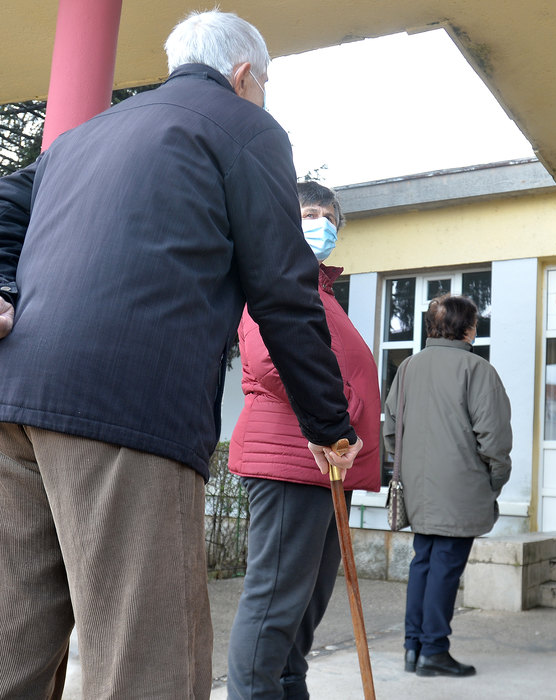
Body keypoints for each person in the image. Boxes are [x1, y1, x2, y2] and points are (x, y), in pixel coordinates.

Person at [0, 11, 362, 698]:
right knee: (146, 658)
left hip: (11, 401)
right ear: (244, 75)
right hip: (126, 408)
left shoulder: (83, 139)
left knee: (4, 647)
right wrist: (330, 426)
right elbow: (285, 292)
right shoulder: (244, 126)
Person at [226, 182, 381, 699]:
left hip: (326, 464)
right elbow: (274, 363)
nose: (321, 224)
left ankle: (290, 689)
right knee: (275, 603)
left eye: (328, 216)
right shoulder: (276, 279)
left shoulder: (317, 289)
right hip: (292, 457)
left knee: (304, 605)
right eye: (309, 214)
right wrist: (342, 414)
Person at [383, 294, 512, 678]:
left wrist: (405, 469)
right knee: (444, 568)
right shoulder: (478, 370)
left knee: (423, 562)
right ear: (469, 329)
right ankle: (434, 650)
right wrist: (495, 480)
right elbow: (494, 439)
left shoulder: (406, 367)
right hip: (462, 486)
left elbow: (391, 429)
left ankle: (414, 647)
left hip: (417, 487)